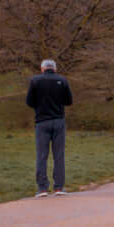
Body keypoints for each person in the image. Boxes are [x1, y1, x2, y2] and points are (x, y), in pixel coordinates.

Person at [26, 58, 73, 198]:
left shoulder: (35, 81)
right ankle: (59, 187)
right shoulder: (62, 80)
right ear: (55, 68)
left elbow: (29, 102)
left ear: (42, 68)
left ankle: (42, 189)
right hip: (58, 121)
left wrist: (40, 106)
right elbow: (69, 101)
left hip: (41, 122)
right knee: (59, 155)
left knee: (42, 155)